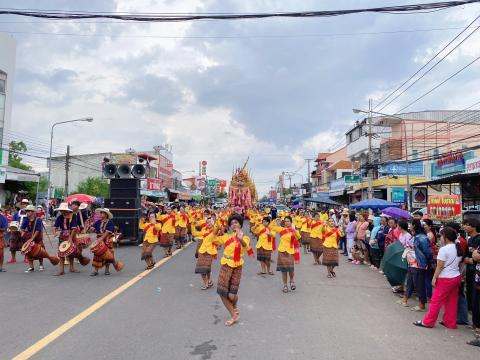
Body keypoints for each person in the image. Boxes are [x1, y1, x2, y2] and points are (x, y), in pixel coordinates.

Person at [414, 227, 463, 329]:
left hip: (445, 278)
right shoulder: (457, 247)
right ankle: (450, 322)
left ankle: (428, 322)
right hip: (456, 277)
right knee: (451, 301)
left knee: (436, 301)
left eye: (441, 236)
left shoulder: (444, 249)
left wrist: (434, 278)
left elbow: (440, 266)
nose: (440, 238)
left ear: (445, 237)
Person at [216, 214, 253, 326]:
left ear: (240, 224)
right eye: (231, 223)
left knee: (232, 296)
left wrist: (240, 239)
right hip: (226, 265)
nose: (234, 225)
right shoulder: (226, 236)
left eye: (236, 222)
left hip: (237, 266)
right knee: (222, 293)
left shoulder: (245, 237)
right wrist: (216, 229)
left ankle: (234, 304)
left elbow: (247, 247)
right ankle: (234, 314)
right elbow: (214, 239)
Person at [398, 219, 432, 312]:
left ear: (414, 225)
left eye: (411, 224)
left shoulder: (422, 238)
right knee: (409, 282)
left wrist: (428, 262)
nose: (409, 225)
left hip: (419, 264)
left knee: (419, 284)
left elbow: (428, 252)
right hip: (411, 262)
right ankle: (405, 299)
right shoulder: (414, 236)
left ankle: (422, 304)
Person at [272, 216, 301, 293]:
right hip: (282, 251)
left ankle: (291, 281)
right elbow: (271, 227)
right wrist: (275, 220)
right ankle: (285, 285)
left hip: (290, 252)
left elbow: (298, 238)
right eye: (285, 221)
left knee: (291, 269)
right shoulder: (281, 229)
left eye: (288, 221)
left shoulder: (294, 230)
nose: (286, 222)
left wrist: (294, 230)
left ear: (291, 222)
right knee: (284, 270)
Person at [463, 218, 480, 337]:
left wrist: (470, 260)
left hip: (476, 272)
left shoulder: (478, 239)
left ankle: (477, 325)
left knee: (476, 298)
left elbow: (475, 258)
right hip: (470, 271)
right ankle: (474, 322)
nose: (464, 226)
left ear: (474, 226)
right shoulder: (469, 239)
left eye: (467, 225)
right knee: (471, 296)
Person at [195, 216, 221, 289]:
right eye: (207, 222)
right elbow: (196, 233)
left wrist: (217, 221)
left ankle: (207, 282)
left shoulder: (215, 230)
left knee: (206, 268)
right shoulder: (204, 230)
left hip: (210, 251)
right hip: (202, 251)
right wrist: (194, 223)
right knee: (202, 268)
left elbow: (218, 229)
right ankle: (207, 282)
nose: (208, 223)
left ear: (213, 222)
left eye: (210, 222)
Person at [89, 208, 117, 276]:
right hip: (99, 240)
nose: (101, 214)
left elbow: (108, 232)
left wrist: (101, 238)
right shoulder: (98, 222)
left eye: (103, 213)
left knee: (108, 255)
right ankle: (96, 270)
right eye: (101, 213)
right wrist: (91, 229)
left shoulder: (110, 222)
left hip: (107, 240)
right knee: (97, 254)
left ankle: (107, 270)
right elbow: (92, 229)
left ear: (106, 214)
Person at [53, 203, 79, 276]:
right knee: (61, 252)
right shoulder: (60, 217)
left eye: (63, 210)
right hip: (62, 236)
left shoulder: (73, 216)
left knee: (71, 252)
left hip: (71, 235)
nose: (62, 212)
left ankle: (71, 268)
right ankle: (61, 270)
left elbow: (74, 228)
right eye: (61, 210)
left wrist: (70, 237)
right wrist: (54, 232)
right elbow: (55, 226)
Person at [20, 205, 45, 272]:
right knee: (28, 252)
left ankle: (41, 265)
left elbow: (38, 230)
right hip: (29, 237)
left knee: (40, 252)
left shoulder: (38, 220)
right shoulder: (26, 219)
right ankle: (31, 266)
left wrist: (32, 238)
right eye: (27, 211)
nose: (27, 213)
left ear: (33, 212)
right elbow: (22, 228)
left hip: (37, 238)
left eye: (29, 211)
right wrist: (22, 235)